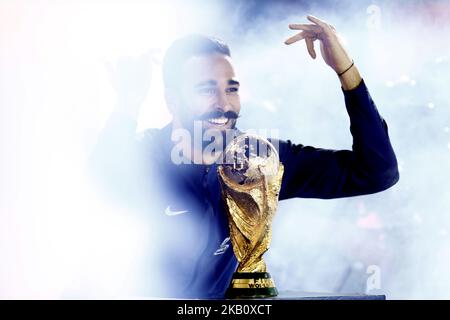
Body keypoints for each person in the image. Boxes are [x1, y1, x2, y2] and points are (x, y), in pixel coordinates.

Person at [89, 15, 399, 298]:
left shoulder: (258, 160)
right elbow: (97, 184)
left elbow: (376, 172)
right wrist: (127, 106)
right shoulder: (146, 159)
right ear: (172, 100)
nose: (223, 104)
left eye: (232, 89)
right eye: (206, 90)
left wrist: (346, 71)